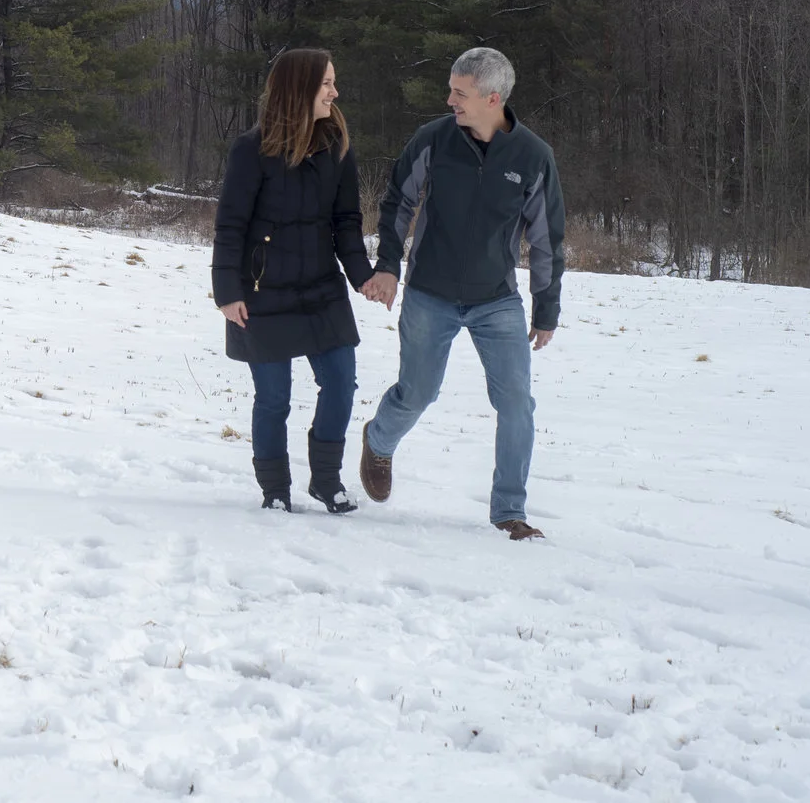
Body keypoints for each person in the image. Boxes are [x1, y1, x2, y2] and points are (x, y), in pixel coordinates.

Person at [357, 46, 565, 540]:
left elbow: (545, 239)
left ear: (493, 99)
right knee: (418, 393)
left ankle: (509, 511)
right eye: (451, 90)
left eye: (459, 93)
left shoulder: (533, 156)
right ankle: (379, 440)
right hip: (430, 292)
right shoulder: (434, 138)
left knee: (516, 402)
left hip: (497, 299)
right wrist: (388, 266)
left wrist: (546, 308)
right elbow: (398, 202)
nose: (449, 100)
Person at [213, 47, 378, 514]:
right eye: (327, 83)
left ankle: (326, 481)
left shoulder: (337, 145)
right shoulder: (252, 149)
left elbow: (346, 221)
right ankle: (275, 490)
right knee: (273, 399)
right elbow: (230, 225)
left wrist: (362, 277)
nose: (335, 92)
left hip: (321, 289)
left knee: (341, 384)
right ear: (300, 88)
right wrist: (226, 292)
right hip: (261, 293)